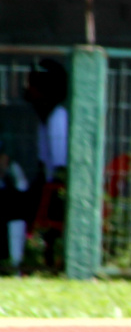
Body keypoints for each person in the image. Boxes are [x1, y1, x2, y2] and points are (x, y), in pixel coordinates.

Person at [24, 58, 69, 268]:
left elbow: (61, 169)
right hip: (49, 188)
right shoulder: (44, 118)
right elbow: (43, 165)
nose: (28, 90)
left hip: (60, 193)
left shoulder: (58, 118)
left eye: (32, 84)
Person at [0, 140, 29, 271]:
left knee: (16, 216)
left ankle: (15, 264)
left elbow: (23, 187)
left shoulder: (13, 168)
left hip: (11, 214)